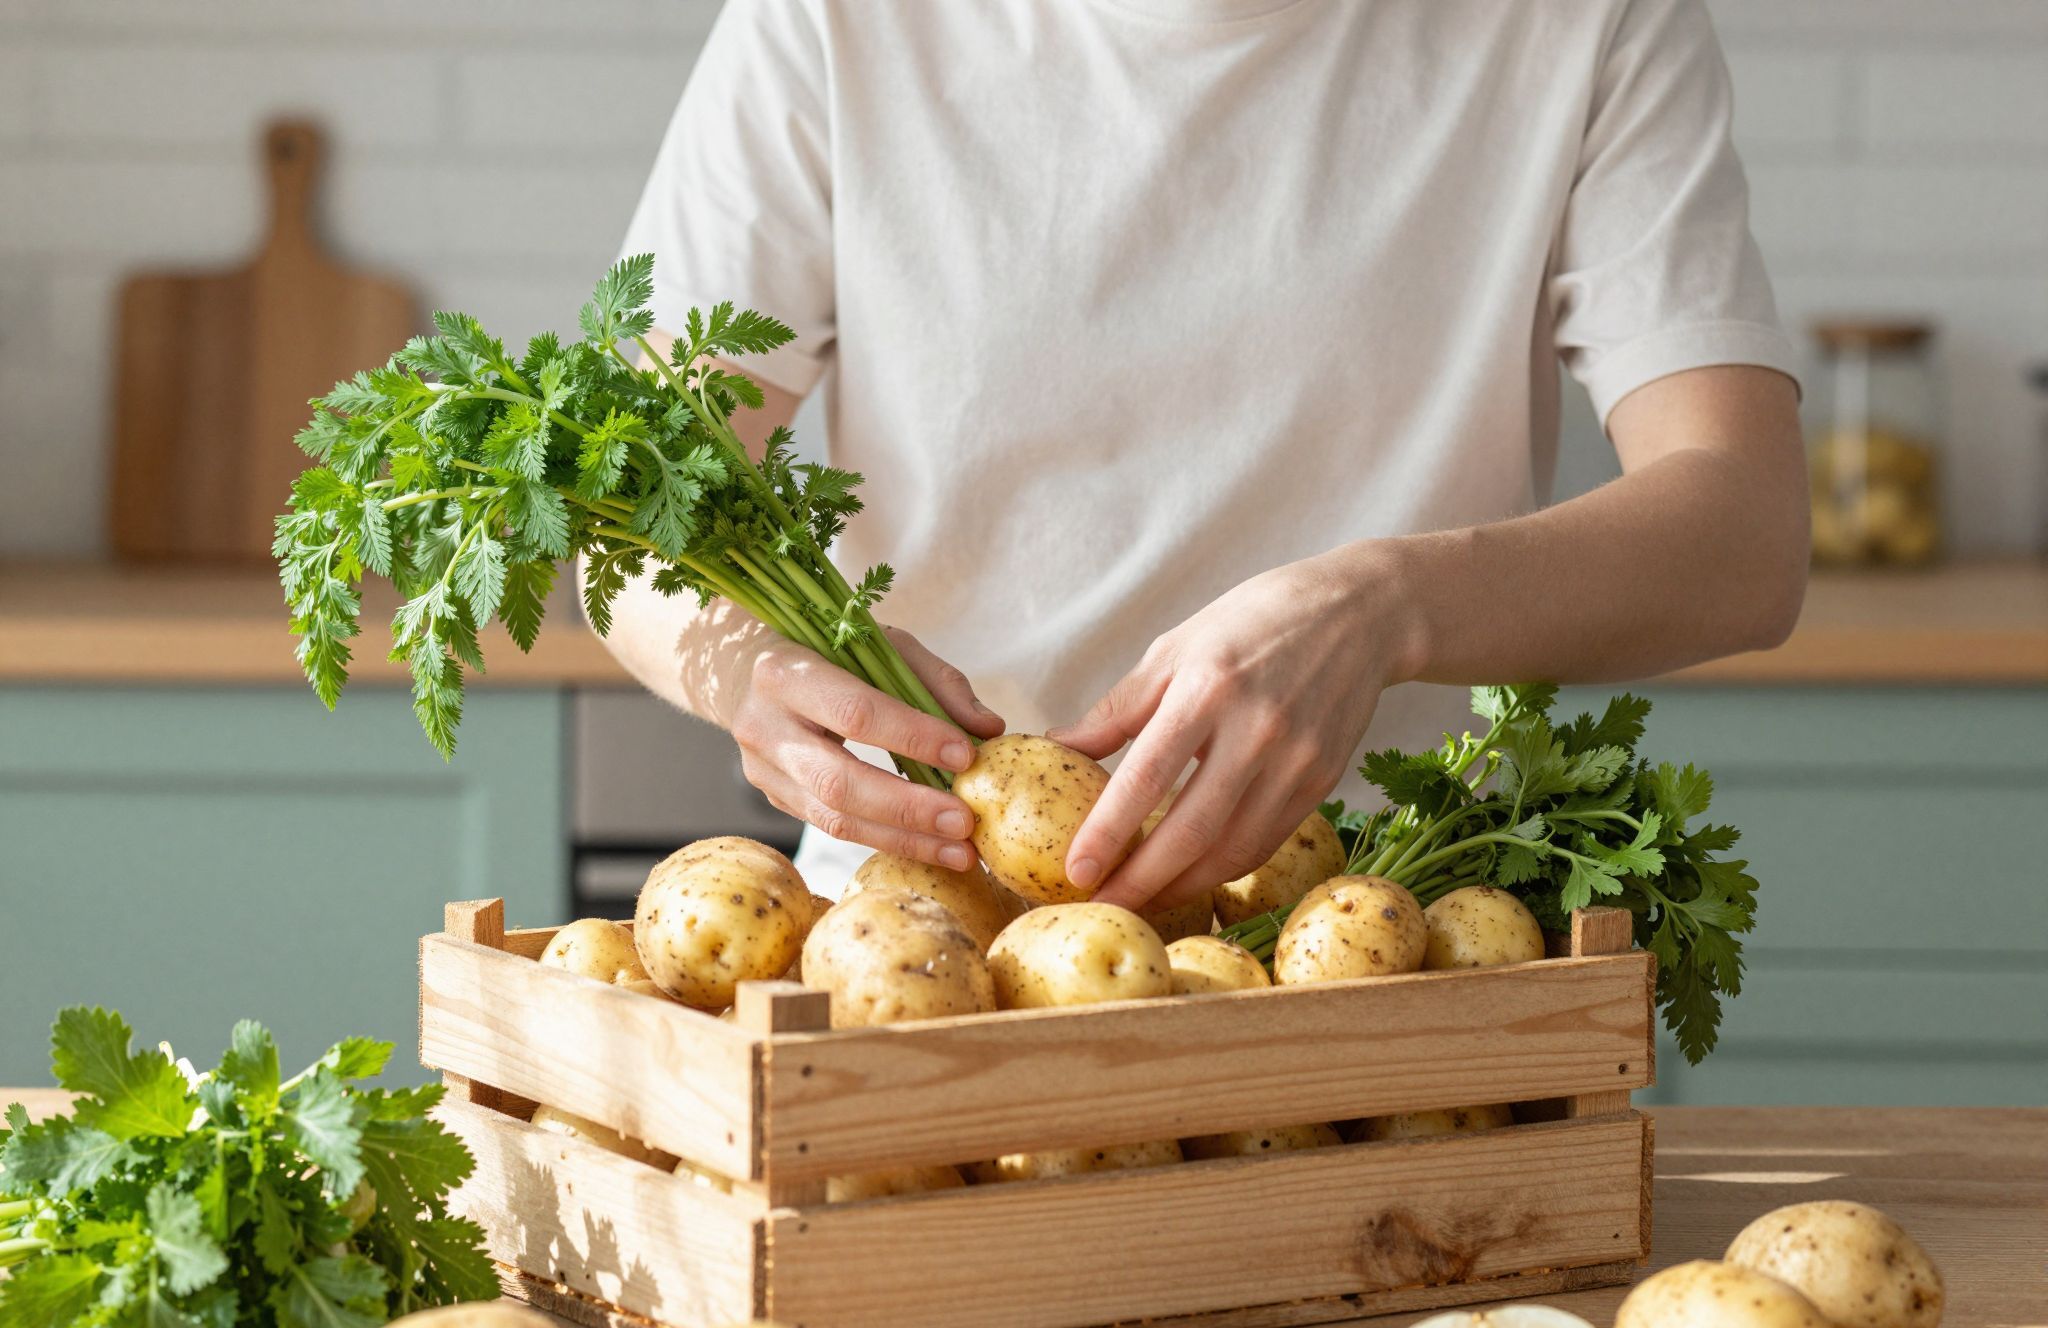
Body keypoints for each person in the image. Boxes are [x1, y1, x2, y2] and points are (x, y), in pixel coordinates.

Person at [600, 0, 1807, 914]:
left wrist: (1384, 607)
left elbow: (1743, 531)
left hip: (1386, 926)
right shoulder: (833, 22)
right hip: (923, 932)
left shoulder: (1581, 22)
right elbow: (626, 504)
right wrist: (744, 672)